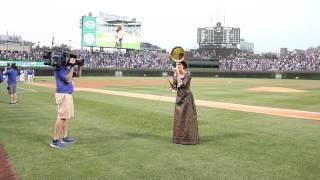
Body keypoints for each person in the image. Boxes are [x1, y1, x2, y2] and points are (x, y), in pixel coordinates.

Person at [169, 60, 199, 145]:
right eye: (177, 65)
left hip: (187, 98)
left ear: (183, 66)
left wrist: (177, 75)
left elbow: (184, 85)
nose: (178, 66)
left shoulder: (188, 74)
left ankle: (188, 139)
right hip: (179, 98)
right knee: (179, 119)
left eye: (179, 64)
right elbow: (174, 88)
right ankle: (179, 139)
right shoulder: (175, 74)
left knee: (187, 118)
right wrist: (171, 83)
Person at [50, 55, 77, 149]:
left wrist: (79, 65)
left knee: (66, 117)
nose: (68, 59)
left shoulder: (65, 68)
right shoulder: (59, 69)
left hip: (67, 95)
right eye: (66, 58)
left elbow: (78, 75)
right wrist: (72, 66)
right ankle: (55, 140)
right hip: (63, 94)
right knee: (62, 117)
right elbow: (68, 79)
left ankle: (64, 137)